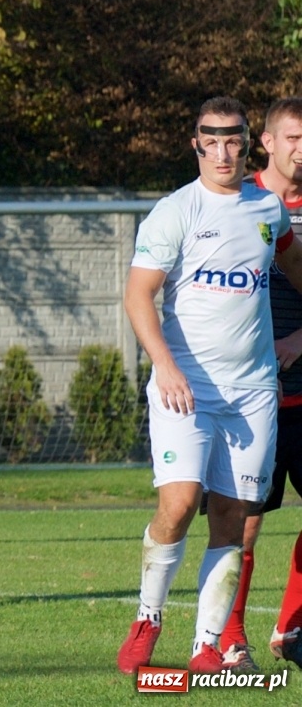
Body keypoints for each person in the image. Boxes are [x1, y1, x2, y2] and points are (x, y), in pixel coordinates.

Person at [116, 97, 302, 675]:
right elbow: (137, 294)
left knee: (234, 516)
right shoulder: (175, 211)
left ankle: (207, 645)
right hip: (186, 389)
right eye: (211, 140)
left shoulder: (268, 209)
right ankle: (148, 616)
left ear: (248, 144)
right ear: (195, 144)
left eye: (233, 140)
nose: (223, 151)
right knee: (178, 504)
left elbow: (296, 265)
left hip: (253, 393)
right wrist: (165, 365)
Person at [212, 97, 302, 672]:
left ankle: (290, 628)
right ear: (266, 141)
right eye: (293, 137)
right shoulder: (236, 202)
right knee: (244, 522)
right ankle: (230, 637)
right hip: (251, 396)